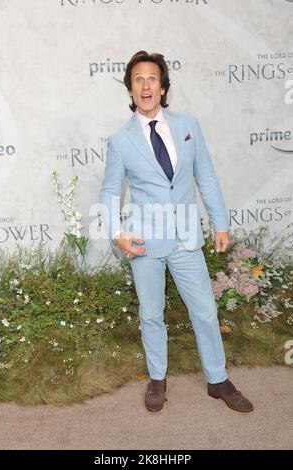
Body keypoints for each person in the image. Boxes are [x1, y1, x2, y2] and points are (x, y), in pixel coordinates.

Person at [99, 51, 253, 413]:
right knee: (151, 313)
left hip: (185, 238)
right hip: (144, 241)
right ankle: (157, 379)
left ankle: (218, 379)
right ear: (131, 90)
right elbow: (109, 192)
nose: (145, 85)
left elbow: (206, 177)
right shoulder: (121, 140)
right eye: (138, 79)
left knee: (204, 311)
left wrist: (221, 223)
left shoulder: (188, 126)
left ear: (163, 86)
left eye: (152, 78)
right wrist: (117, 233)